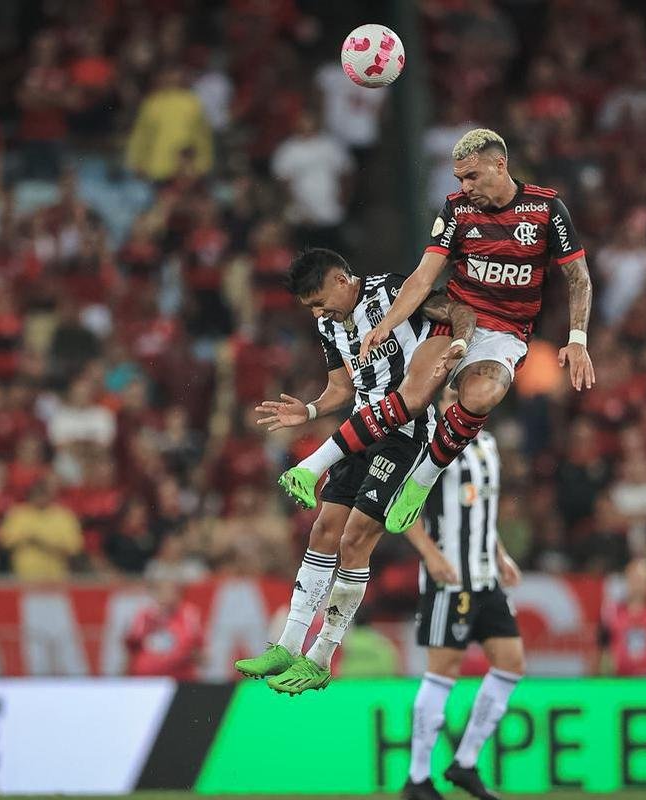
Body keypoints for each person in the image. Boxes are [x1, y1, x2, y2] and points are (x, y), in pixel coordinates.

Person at [279, 128, 595, 535]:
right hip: (453, 316)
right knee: (412, 397)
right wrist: (386, 325)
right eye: (459, 178)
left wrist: (577, 338)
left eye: (472, 177)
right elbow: (422, 278)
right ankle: (310, 470)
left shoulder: (546, 208)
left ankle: (422, 479)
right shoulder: (456, 210)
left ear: (500, 165)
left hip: (506, 330)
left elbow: (578, 278)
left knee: (481, 395)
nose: (465, 187)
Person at [234, 248, 475, 694]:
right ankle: (288, 645)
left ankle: (322, 656)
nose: (317, 313)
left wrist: (459, 344)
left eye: (320, 302)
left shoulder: (393, 292)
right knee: (323, 530)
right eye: (311, 308)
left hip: (406, 434)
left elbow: (456, 308)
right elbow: (341, 387)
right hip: (360, 430)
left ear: (342, 280)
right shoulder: (329, 324)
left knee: (354, 539)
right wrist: (309, 410)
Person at [403, 411, 522, 800]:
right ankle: (417, 778)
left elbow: (480, 510)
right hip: (450, 580)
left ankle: (465, 763)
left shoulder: (486, 442)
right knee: (443, 670)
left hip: (486, 578)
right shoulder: (432, 441)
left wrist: (499, 553)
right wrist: (430, 555)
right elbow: (401, 505)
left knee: (510, 663)